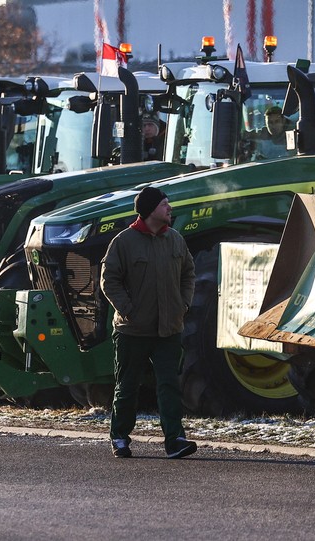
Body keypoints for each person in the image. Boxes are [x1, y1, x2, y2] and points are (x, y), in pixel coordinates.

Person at [100, 186, 197, 459]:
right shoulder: (123, 242)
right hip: (132, 330)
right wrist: (129, 310)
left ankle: (175, 440)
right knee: (127, 386)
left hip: (169, 329)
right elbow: (109, 281)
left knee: (169, 385)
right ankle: (119, 437)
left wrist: (184, 305)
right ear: (151, 210)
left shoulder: (176, 240)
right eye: (165, 204)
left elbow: (188, 274)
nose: (170, 209)